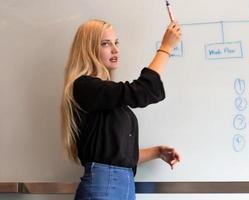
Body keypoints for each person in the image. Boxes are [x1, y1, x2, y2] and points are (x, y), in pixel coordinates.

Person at [60, 19, 182, 200]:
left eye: (116, 43)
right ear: (88, 49)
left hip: (122, 187)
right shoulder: (85, 87)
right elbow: (143, 90)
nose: (115, 50)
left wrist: (157, 152)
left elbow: (117, 156)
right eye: (105, 44)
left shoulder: (107, 98)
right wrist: (165, 47)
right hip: (104, 186)